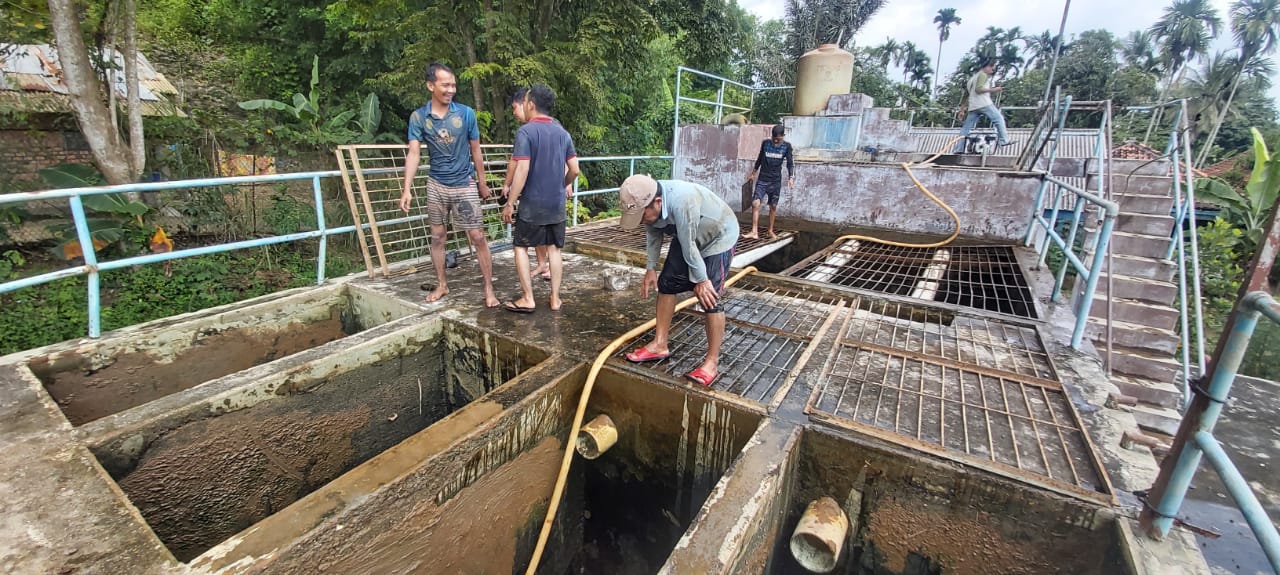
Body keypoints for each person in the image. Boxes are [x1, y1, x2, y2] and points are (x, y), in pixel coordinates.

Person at [618, 174, 739, 387]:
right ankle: (660, 344)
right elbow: (654, 236)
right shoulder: (650, 207)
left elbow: (690, 247)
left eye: (642, 215)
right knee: (667, 283)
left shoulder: (682, 201)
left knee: (710, 298)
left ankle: (711, 362)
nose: (641, 221)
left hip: (719, 234)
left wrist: (701, 280)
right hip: (689, 236)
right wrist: (650, 269)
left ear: (657, 202)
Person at [398, 62, 500, 308]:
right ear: (430, 85)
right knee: (438, 236)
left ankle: (489, 287)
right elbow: (414, 153)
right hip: (436, 185)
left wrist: (482, 184)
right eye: (445, 84)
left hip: (464, 184)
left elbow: (476, 150)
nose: (450, 89)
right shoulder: (419, 117)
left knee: (477, 236)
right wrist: (406, 188)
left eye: (453, 85)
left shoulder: (465, 114)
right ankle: (442, 284)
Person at [500, 83, 580, 313]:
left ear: (531, 104)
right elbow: (574, 169)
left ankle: (528, 298)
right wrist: (561, 185)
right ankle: (555, 299)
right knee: (555, 249)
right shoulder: (562, 133)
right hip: (556, 204)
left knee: (520, 247)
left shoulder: (525, 132)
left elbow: (522, 170)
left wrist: (510, 202)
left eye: (525, 102)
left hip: (532, 204)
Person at [743, 124, 793, 239]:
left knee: (773, 206)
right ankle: (754, 231)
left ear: (783, 136)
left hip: (775, 181)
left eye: (778, 139)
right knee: (755, 203)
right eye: (774, 138)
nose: (775, 141)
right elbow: (760, 158)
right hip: (763, 179)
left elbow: (790, 163)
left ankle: (770, 230)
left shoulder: (787, 147)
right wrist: (753, 173)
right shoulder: (765, 143)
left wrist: (791, 177)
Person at [952, 59, 1012, 153]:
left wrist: (962, 110)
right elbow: (978, 89)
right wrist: (994, 90)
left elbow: (965, 96)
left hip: (973, 106)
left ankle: (958, 149)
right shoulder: (982, 75)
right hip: (984, 103)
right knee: (998, 119)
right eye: (992, 69)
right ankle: (1004, 140)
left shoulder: (971, 79)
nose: (992, 71)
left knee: (966, 128)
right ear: (987, 67)